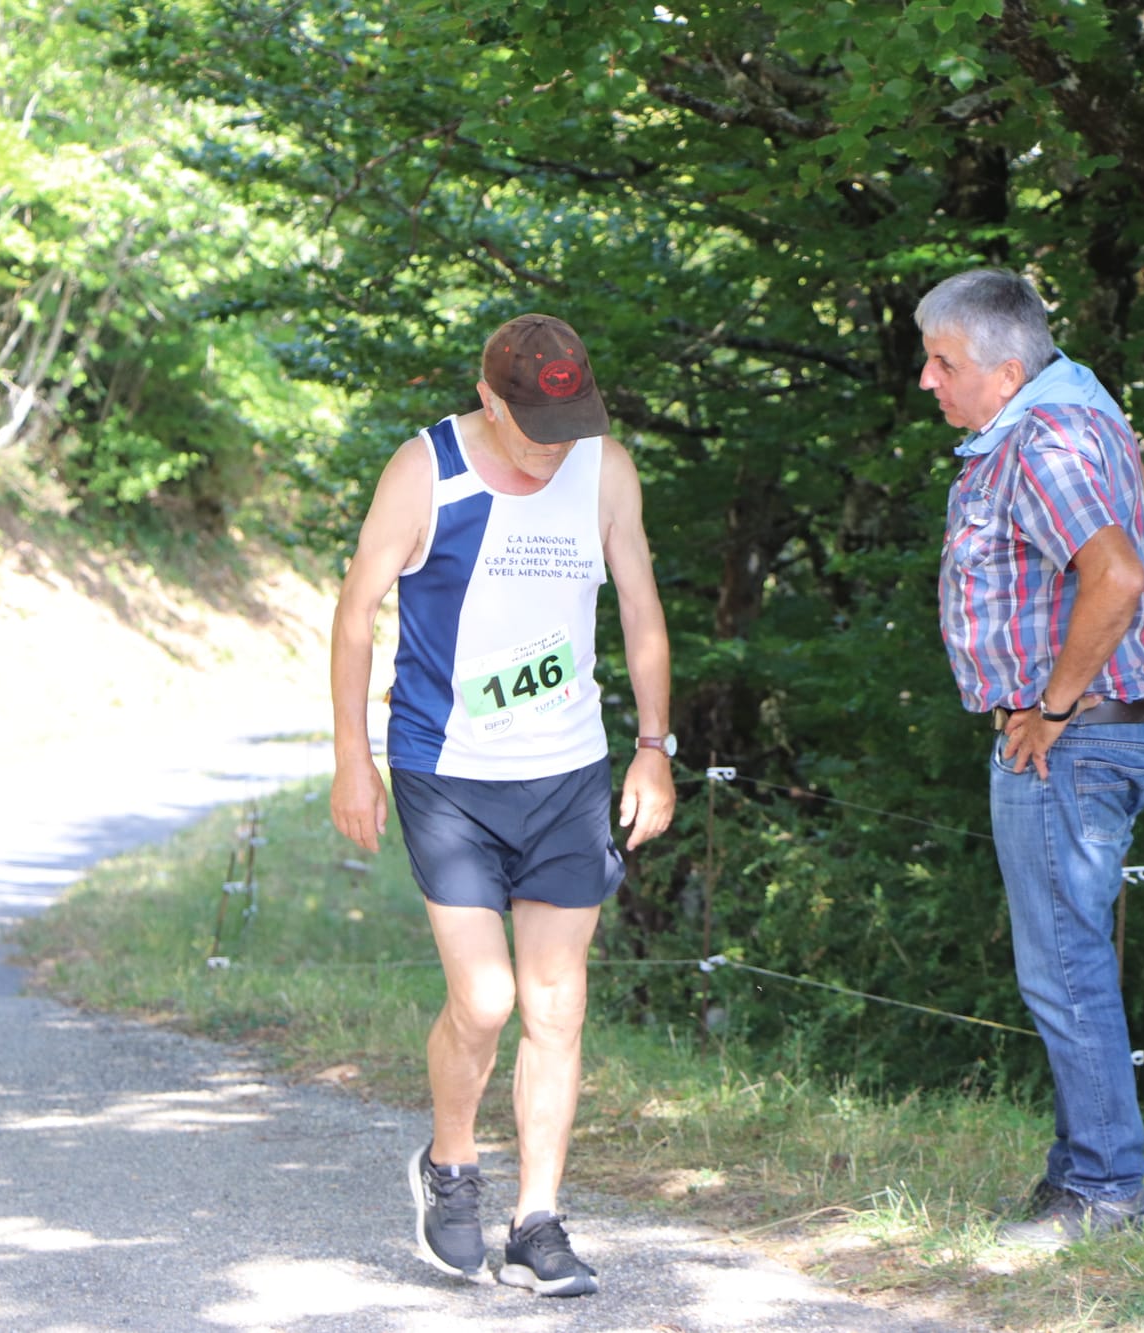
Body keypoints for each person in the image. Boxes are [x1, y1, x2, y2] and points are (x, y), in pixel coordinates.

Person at [329, 313, 676, 1296]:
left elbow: (640, 601)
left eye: (569, 416)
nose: (553, 440)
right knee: (484, 1000)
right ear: (488, 400)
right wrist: (353, 756)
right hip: (449, 771)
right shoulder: (424, 469)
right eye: (534, 420)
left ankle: (536, 1219)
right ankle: (448, 1160)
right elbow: (356, 613)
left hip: (566, 772)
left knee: (556, 1003)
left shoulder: (602, 467)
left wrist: (653, 748)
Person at [915, 268, 1144, 1250]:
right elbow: (1140, 495)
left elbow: (1115, 570)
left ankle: (1107, 1193)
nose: (927, 382)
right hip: (1088, 727)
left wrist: (1055, 700)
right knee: (1062, 961)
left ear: (1003, 367)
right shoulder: (1078, 415)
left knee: (1062, 967)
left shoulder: (1045, 433)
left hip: (1072, 734)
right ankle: (1077, 1175)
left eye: (941, 363)